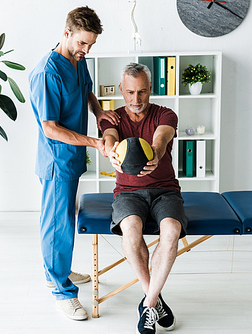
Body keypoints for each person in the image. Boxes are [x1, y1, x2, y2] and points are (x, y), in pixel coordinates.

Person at [29, 6, 119, 321]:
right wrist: (96, 142)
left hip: (73, 157)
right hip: (57, 161)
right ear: (66, 33)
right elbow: (50, 127)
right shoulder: (47, 73)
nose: (86, 50)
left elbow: (88, 92)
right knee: (57, 225)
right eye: (82, 44)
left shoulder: (78, 62)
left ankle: (59, 272)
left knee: (65, 220)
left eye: (91, 45)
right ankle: (61, 292)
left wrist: (99, 114)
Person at [100, 63, 188, 334]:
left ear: (150, 89)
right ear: (121, 90)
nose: (135, 100)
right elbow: (109, 136)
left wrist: (158, 153)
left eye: (141, 92)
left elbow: (162, 138)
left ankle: (149, 302)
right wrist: (112, 148)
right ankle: (156, 300)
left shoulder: (166, 114)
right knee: (131, 229)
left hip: (165, 190)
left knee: (171, 230)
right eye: (129, 92)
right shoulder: (111, 117)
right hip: (128, 192)